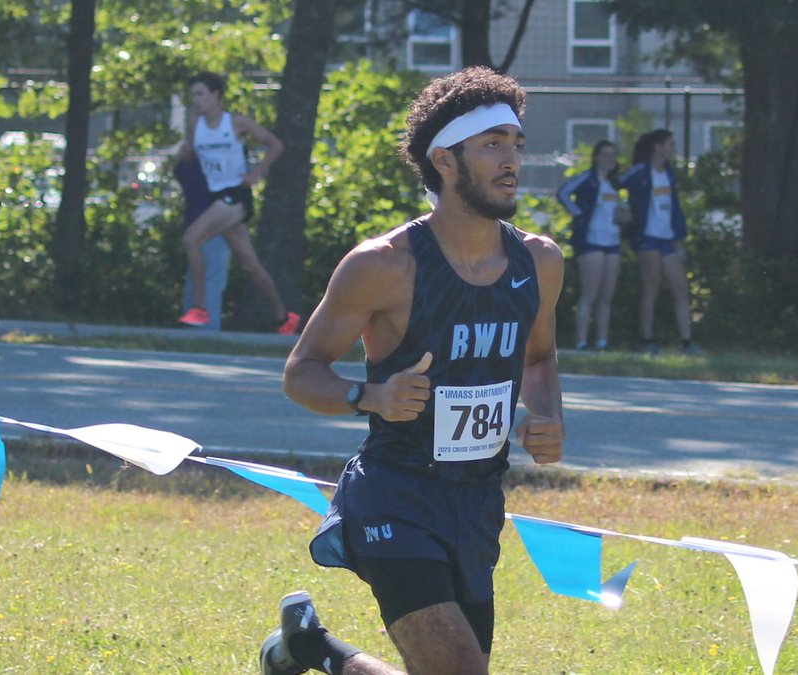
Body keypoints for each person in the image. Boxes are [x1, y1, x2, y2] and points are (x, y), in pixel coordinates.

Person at [262, 66, 565, 675]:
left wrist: (547, 415)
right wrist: (367, 395)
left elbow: (538, 358)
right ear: (445, 161)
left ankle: (308, 650)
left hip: (478, 500)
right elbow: (302, 372)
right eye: (491, 144)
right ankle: (308, 649)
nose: (511, 160)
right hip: (395, 494)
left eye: (516, 143)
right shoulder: (384, 266)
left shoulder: (539, 261)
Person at [175, 71, 299, 335]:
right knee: (250, 265)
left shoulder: (235, 123)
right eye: (192, 95)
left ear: (215, 96)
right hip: (216, 197)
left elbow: (275, 145)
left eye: (200, 94)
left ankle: (199, 308)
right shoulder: (194, 124)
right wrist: (186, 156)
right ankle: (284, 318)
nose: (195, 100)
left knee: (191, 239)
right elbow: (193, 155)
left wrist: (256, 172)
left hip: (236, 194)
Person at [619, 129, 696, 355]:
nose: (673, 149)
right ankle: (647, 340)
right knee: (650, 288)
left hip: (667, 238)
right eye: (670, 144)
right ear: (657, 147)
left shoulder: (669, 174)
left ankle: (687, 342)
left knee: (681, 289)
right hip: (647, 236)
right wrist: (624, 211)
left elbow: (675, 209)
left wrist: (679, 241)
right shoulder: (640, 171)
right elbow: (612, 185)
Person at [556, 140, 626, 350]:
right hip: (591, 240)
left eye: (613, 155)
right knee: (590, 294)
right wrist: (579, 214)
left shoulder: (615, 184)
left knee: (606, 296)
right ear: (596, 158)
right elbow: (563, 193)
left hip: (612, 240)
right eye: (605, 155)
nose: (610, 159)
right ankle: (582, 341)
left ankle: (603, 341)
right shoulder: (588, 178)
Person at [174, 158, 231, 331]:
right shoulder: (197, 159)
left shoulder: (222, 156)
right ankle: (197, 327)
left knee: (210, 278)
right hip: (201, 225)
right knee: (198, 279)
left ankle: (204, 328)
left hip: (218, 227)